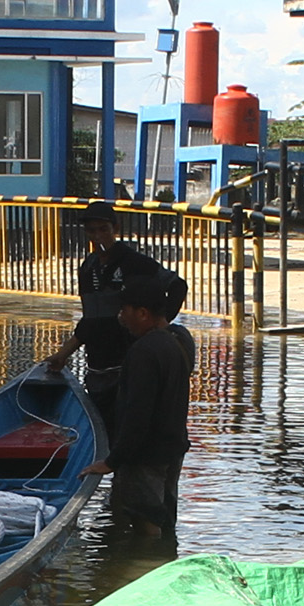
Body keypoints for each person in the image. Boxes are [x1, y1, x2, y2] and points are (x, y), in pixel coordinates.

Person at [52, 204, 185, 399]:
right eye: (91, 230)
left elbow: (177, 286)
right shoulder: (88, 268)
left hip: (130, 367)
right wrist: (62, 354)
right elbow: (90, 321)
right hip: (97, 371)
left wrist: (159, 325)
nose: (98, 236)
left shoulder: (135, 263)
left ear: (115, 229)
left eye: (103, 229)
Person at [101, 285, 192, 541]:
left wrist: (112, 461)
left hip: (146, 454)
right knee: (166, 517)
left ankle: (147, 567)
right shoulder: (180, 340)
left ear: (142, 313)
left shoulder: (143, 352)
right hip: (173, 447)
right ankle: (168, 560)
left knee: (147, 525)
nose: (121, 317)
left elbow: (137, 414)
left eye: (125, 310)